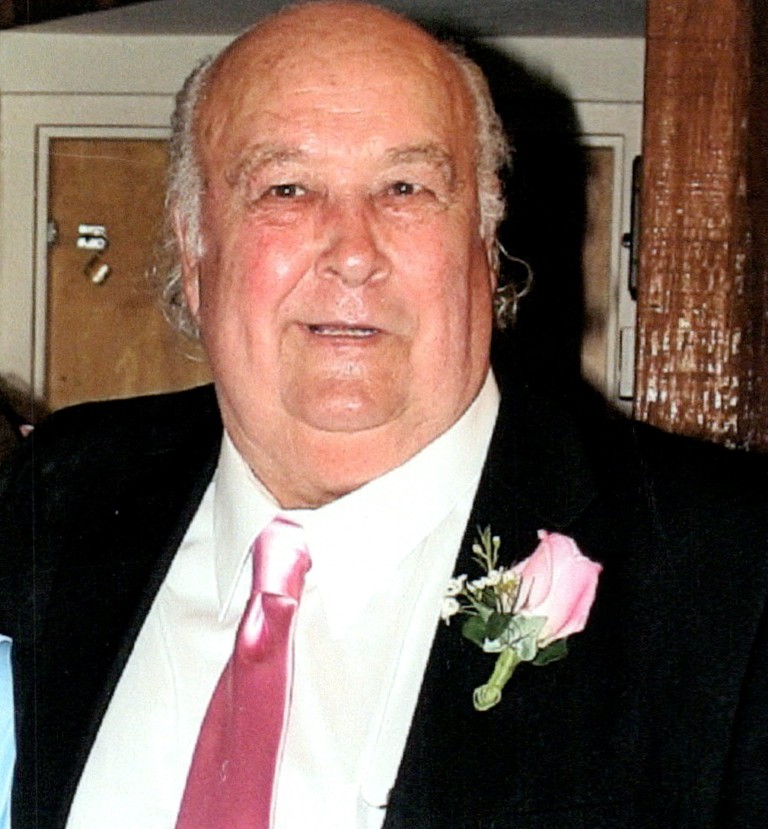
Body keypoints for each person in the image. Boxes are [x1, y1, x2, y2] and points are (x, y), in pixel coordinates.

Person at [2, 2, 767, 827]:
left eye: (407, 188)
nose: (354, 252)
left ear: (486, 238)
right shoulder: (60, 496)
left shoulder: (725, 577)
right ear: (194, 248)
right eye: (286, 188)